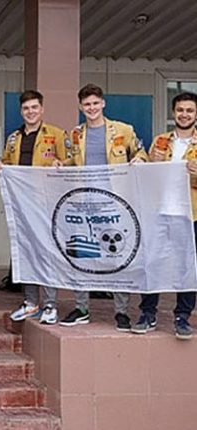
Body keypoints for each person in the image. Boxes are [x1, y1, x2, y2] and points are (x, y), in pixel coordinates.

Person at [59, 83, 147, 330]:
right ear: (80, 107)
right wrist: (60, 164)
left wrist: (138, 161)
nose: (91, 108)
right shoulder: (75, 134)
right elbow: (72, 160)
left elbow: (141, 152)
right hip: (84, 203)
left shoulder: (123, 130)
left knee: (117, 254)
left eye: (95, 103)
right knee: (82, 255)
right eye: (87, 104)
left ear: (103, 103)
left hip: (115, 203)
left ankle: (121, 312)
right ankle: (81, 308)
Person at [0, 90, 70, 325]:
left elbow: (71, 161)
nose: (30, 112)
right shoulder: (13, 138)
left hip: (47, 203)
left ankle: (50, 305)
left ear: (42, 109)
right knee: (26, 251)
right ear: (21, 111)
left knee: (47, 251)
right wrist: (0, 167)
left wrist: (61, 163)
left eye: (34, 107)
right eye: (26, 108)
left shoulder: (56, 134)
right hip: (22, 203)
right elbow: (7, 163)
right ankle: (30, 302)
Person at [133, 91, 197, 339]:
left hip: (190, 215)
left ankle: (182, 316)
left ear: (196, 114)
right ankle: (147, 314)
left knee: (187, 266)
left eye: (189, 110)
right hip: (159, 211)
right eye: (180, 110)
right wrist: (147, 161)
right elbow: (146, 171)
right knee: (152, 263)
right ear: (173, 113)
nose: (184, 114)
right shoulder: (160, 140)